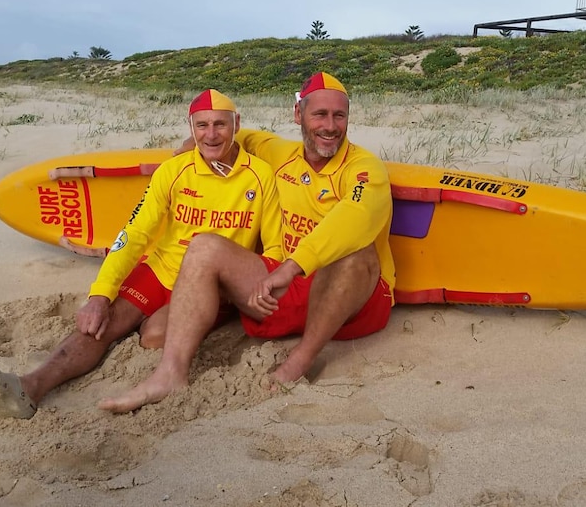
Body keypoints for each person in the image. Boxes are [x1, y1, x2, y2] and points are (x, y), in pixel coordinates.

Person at [0, 89, 283, 419]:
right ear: (191, 127)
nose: (211, 134)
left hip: (208, 284)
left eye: (220, 124)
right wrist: (100, 295)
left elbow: (274, 249)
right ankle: (28, 387)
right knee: (100, 323)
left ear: (236, 124)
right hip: (161, 268)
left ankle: (158, 341)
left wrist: (241, 293)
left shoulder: (260, 176)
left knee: (153, 336)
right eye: (202, 125)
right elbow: (133, 235)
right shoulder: (173, 171)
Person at [98, 71, 396, 414]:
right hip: (284, 290)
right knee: (203, 246)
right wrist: (193, 142)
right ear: (298, 115)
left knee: (356, 250)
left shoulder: (365, 168)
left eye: (339, 116)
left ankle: (299, 361)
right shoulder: (280, 153)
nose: (329, 126)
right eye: (319, 115)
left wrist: (291, 266)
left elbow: (355, 216)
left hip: (351, 301)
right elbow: (242, 136)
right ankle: (169, 375)